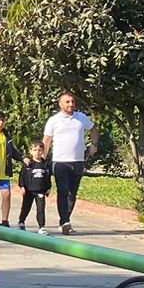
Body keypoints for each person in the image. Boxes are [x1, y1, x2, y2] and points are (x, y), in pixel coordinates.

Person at [41, 91, 97, 236]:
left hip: (77, 161)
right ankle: (65, 221)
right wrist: (41, 160)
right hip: (60, 162)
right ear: (60, 104)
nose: (71, 104)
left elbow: (93, 129)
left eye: (72, 102)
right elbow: (46, 141)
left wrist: (94, 145)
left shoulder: (81, 118)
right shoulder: (54, 120)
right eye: (67, 102)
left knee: (72, 193)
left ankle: (64, 220)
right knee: (63, 191)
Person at [16, 142, 52, 230]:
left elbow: (48, 177)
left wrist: (48, 188)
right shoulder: (28, 163)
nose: (37, 152)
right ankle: (21, 221)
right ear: (31, 151)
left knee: (41, 209)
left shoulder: (46, 164)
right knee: (26, 207)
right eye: (35, 150)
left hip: (40, 191)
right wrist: (22, 186)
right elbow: (22, 176)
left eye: (40, 150)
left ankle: (41, 226)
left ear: (43, 151)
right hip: (29, 190)